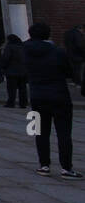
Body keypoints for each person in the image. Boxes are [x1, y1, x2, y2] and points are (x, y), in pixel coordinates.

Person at [23, 22, 81, 178]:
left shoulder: (26, 51)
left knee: (39, 132)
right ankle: (66, 168)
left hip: (36, 96)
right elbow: (69, 71)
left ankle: (43, 165)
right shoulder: (58, 52)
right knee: (64, 133)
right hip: (59, 95)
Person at [0, 34, 27, 109]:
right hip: (23, 71)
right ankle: (23, 103)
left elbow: (5, 59)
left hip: (12, 71)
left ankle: (11, 102)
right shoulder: (22, 47)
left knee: (12, 89)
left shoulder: (9, 47)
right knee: (22, 88)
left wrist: (2, 67)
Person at [64, 22, 85, 90]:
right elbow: (80, 45)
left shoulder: (68, 33)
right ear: (80, 28)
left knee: (74, 69)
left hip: (70, 54)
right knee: (79, 70)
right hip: (78, 55)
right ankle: (79, 83)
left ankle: (75, 82)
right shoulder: (78, 34)